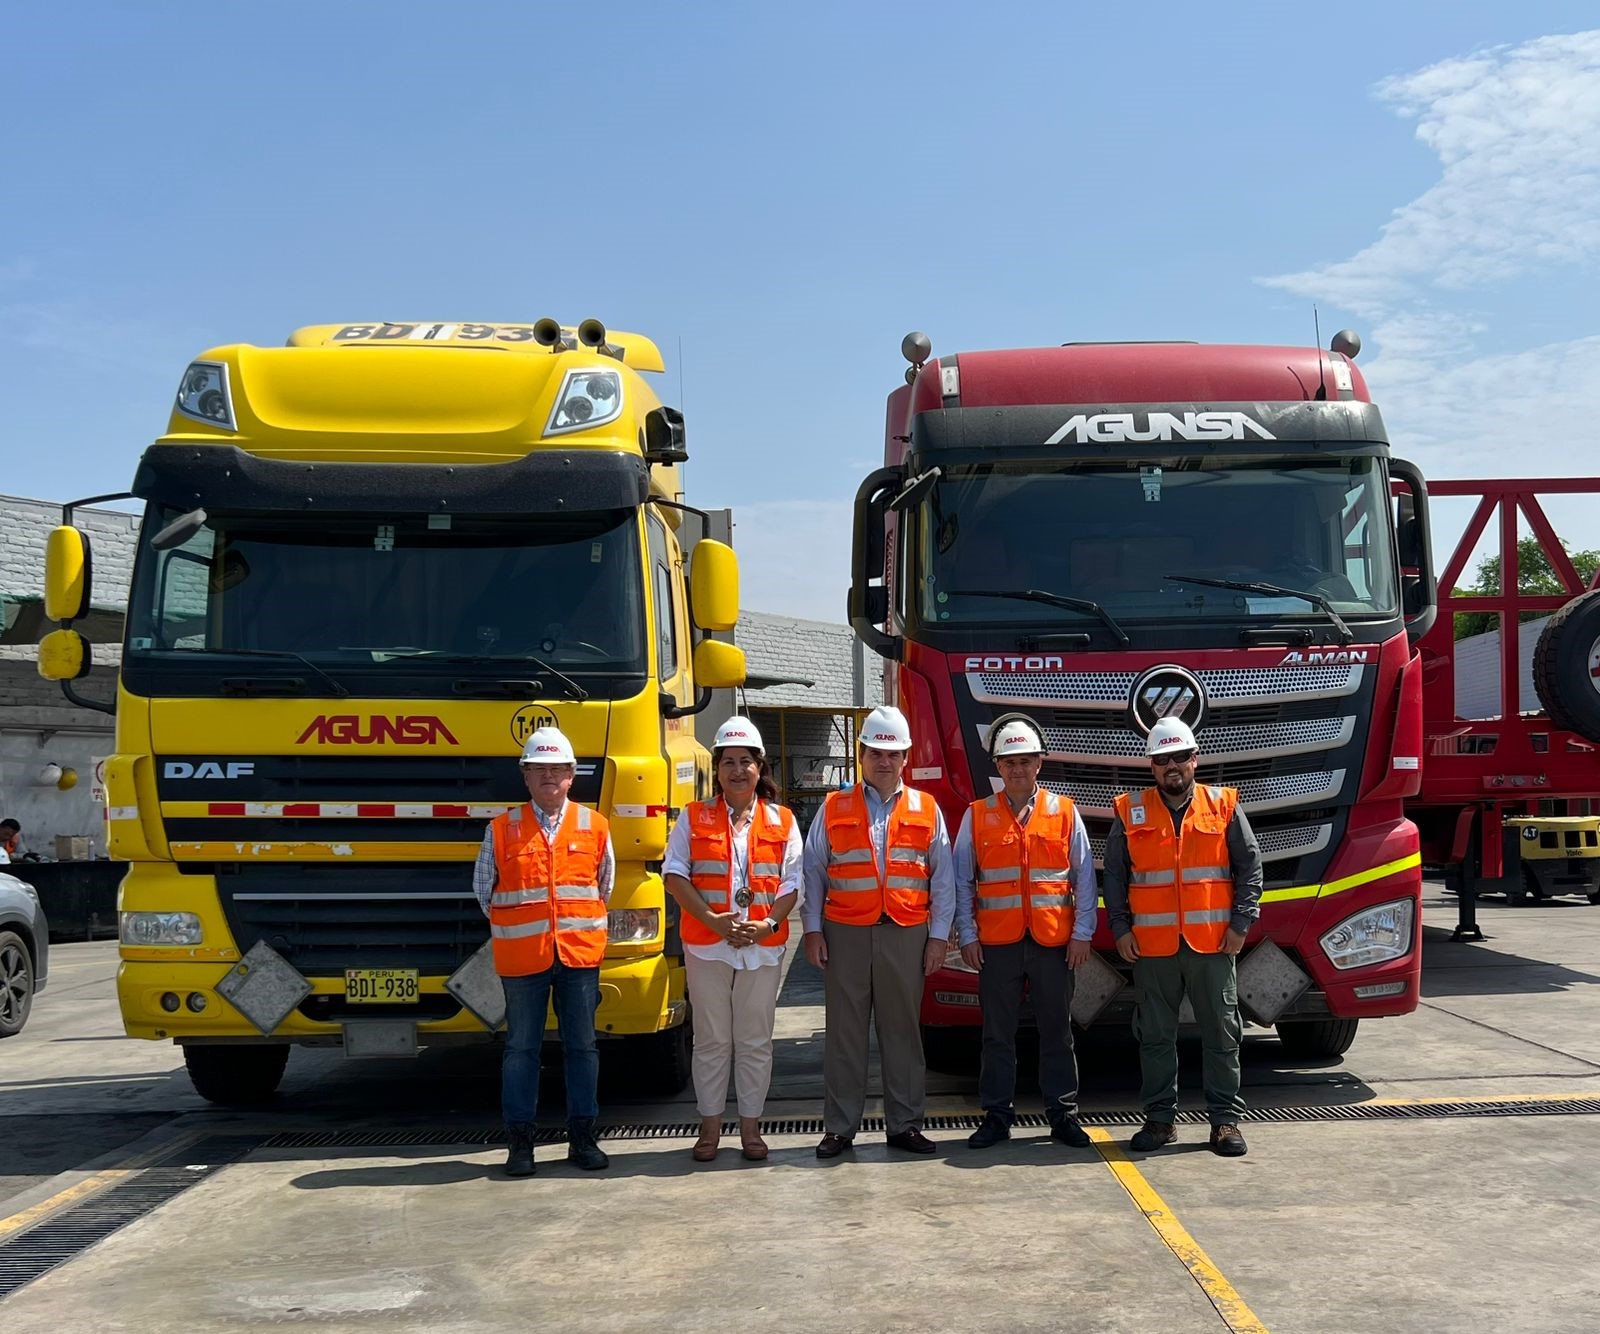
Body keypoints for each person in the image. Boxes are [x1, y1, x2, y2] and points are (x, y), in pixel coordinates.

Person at [1100, 717, 1263, 1157]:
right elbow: (1114, 876)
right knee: (1155, 1036)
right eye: (1162, 759)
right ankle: (1159, 1121)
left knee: (1222, 1034)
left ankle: (1225, 1122)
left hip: (1212, 944)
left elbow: (1249, 867)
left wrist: (1241, 925)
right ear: (1151, 766)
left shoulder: (1223, 805)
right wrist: (1120, 928)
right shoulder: (1129, 810)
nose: (1171, 766)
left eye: (1179, 757)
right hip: (1152, 948)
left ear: (1195, 759)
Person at [800, 704, 956, 1158]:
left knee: (903, 1033)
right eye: (874, 753)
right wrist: (812, 931)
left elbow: (941, 878)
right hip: (845, 932)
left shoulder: (927, 809)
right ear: (861, 755)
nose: (883, 762)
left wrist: (938, 937)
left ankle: (904, 1124)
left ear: (905, 758)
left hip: (906, 933)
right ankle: (839, 1128)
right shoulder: (833, 807)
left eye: (892, 754)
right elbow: (814, 871)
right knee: (844, 1033)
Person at [473, 726, 613, 1177]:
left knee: (583, 1048)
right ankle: (520, 1145)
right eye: (540, 769)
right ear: (525, 776)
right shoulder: (501, 830)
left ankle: (583, 1139)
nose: (549, 776)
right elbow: (484, 892)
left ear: (573, 775)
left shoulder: (595, 826)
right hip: (523, 960)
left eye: (558, 769)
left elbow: (602, 886)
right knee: (520, 1050)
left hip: (578, 956)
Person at [664, 717, 801, 1163]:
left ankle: (751, 1128)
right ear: (717, 769)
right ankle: (708, 1128)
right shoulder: (693, 816)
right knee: (711, 1040)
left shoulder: (782, 819)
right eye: (728, 762)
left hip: (761, 946)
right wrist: (712, 920)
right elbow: (674, 873)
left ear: (760, 768)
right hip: (708, 945)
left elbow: (792, 882)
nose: (737, 770)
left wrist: (768, 925)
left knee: (755, 1039)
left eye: (746, 762)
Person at [956, 714, 1096, 1150]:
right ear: (998, 767)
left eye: (1026, 761)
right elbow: (962, 880)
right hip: (997, 945)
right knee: (997, 1034)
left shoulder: (1065, 812)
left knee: (1057, 1031)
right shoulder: (976, 816)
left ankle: (1063, 1115)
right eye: (1009, 762)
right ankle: (997, 1116)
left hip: (1054, 943)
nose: (1017, 770)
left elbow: (1083, 876)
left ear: (1040, 764)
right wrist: (968, 935)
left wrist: (1083, 933)